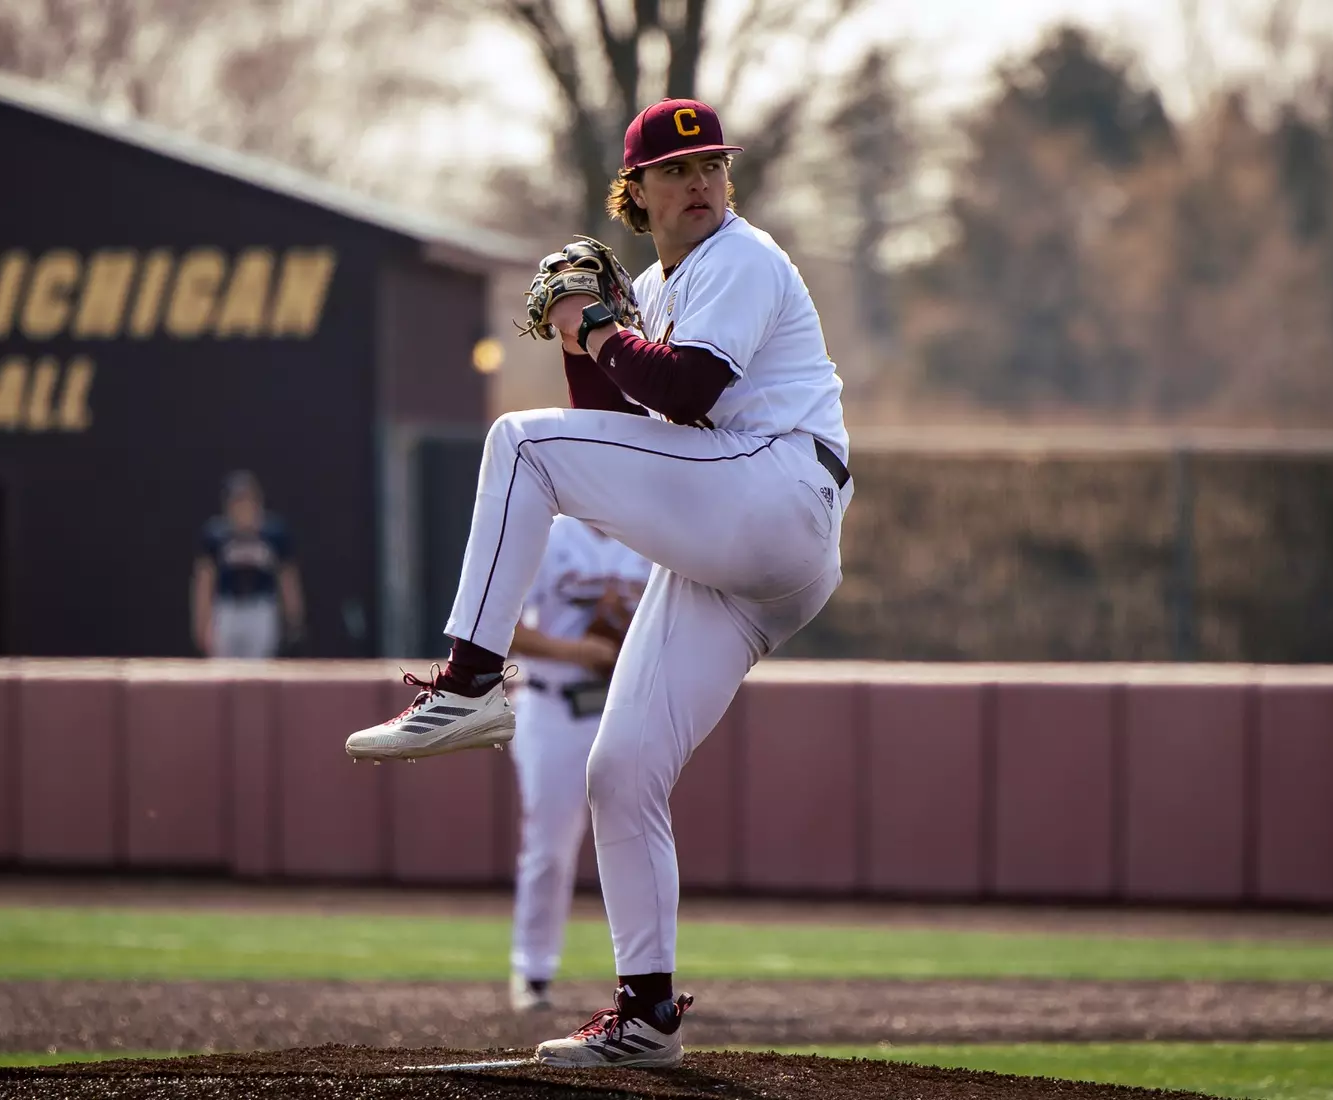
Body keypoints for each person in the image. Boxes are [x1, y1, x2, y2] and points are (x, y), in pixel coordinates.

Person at [346, 97, 850, 1069]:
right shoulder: (662, 282)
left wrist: (594, 326)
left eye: (711, 164)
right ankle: (646, 1012)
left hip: (776, 489)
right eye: (676, 169)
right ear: (637, 192)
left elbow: (689, 390)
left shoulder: (742, 256)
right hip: (745, 546)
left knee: (517, 442)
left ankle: (468, 680)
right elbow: (622, 419)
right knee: (618, 772)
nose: (700, 181)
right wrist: (592, 335)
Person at [506, 515, 651, 1014]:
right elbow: (500, 631)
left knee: (639, 844)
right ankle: (533, 969)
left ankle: (646, 980)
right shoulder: (549, 535)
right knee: (548, 846)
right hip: (554, 703)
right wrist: (577, 649)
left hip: (622, 705)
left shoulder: (650, 535)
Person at [192, 471, 305, 659]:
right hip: (227, 609)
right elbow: (204, 580)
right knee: (222, 671)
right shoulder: (216, 535)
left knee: (259, 672)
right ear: (227, 506)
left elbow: (287, 577)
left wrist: (294, 617)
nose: (243, 508)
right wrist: (201, 621)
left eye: (247, 500)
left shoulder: (273, 534)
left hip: (261, 609)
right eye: (237, 501)